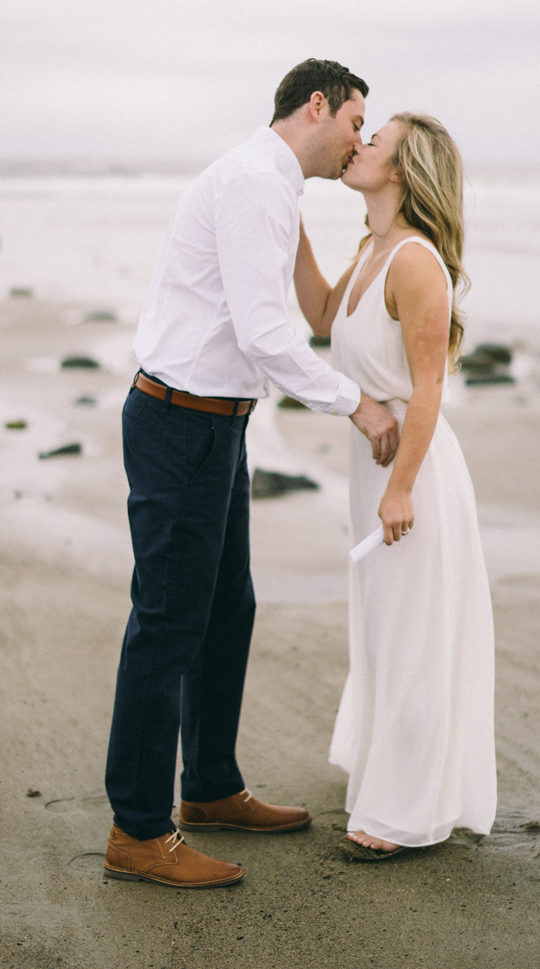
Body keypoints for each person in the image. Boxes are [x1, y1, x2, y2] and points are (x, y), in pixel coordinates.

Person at [103, 60, 400, 889]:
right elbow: (268, 336)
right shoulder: (252, 183)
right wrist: (359, 405)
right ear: (318, 104)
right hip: (180, 423)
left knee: (226, 609)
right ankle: (136, 830)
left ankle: (209, 788)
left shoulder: (272, 188)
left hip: (215, 426)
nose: (357, 141)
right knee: (166, 623)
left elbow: (286, 321)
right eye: (354, 122)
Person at [294, 112, 497, 858]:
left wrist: (402, 487)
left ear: (405, 171)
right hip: (375, 471)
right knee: (384, 633)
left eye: (375, 140)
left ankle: (408, 810)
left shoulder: (414, 261)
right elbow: (320, 312)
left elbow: (429, 387)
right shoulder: (373, 248)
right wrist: (288, 219)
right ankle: (390, 781)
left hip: (416, 474)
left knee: (413, 635)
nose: (359, 143)